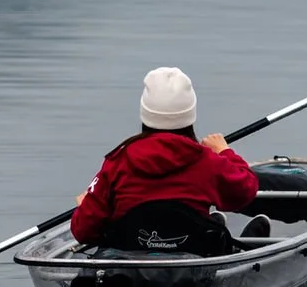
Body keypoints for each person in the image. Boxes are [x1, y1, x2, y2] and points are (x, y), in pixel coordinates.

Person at [70, 66, 259, 248]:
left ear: (145, 114)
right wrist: (224, 151)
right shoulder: (207, 161)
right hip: (193, 263)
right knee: (211, 229)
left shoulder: (117, 162)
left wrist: (86, 207)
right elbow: (245, 190)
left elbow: (84, 232)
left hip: (128, 268)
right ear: (190, 115)